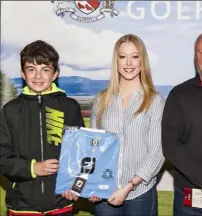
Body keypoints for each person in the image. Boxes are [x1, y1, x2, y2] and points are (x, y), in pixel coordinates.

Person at [0, 40, 84, 216]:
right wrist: (33, 168)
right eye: (31, 69)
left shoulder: (70, 107)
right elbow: (2, 158)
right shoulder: (10, 110)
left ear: (55, 74)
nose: (38, 76)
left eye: (45, 69)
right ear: (23, 73)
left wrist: (76, 186)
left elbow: (82, 153)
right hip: (22, 205)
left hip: (61, 203)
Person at [88, 34, 165, 216]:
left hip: (140, 192)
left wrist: (129, 186)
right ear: (116, 61)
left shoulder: (155, 101)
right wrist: (92, 183)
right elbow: (93, 148)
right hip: (104, 191)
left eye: (135, 56)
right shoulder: (101, 100)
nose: (128, 63)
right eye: (123, 57)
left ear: (142, 61)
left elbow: (157, 151)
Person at [162, 34, 202, 216]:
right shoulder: (179, 94)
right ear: (195, 57)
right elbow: (170, 145)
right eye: (201, 53)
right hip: (191, 196)